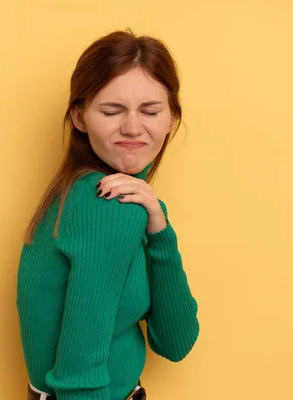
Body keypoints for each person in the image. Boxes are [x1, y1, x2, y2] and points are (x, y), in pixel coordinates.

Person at [16, 29, 200, 400]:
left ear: (172, 118)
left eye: (150, 111)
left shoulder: (123, 203)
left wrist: (160, 231)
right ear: (80, 117)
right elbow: (77, 377)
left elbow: (175, 341)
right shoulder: (105, 205)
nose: (132, 128)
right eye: (112, 111)